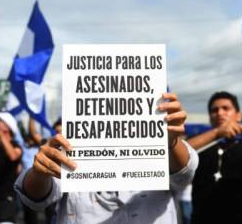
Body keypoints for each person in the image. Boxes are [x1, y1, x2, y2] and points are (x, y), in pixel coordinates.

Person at [15, 93, 198, 224]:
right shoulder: (69, 150)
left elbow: (184, 174)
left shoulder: (161, 145)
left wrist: (170, 142)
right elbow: (36, 199)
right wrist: (40, 173)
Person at [189, 91, 242, 224]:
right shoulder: (199, 149)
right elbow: (181, 151)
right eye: (214, 110)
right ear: (210, 117)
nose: (220, 113)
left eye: (226, 108)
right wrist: (216, 133)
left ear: (238, 116)